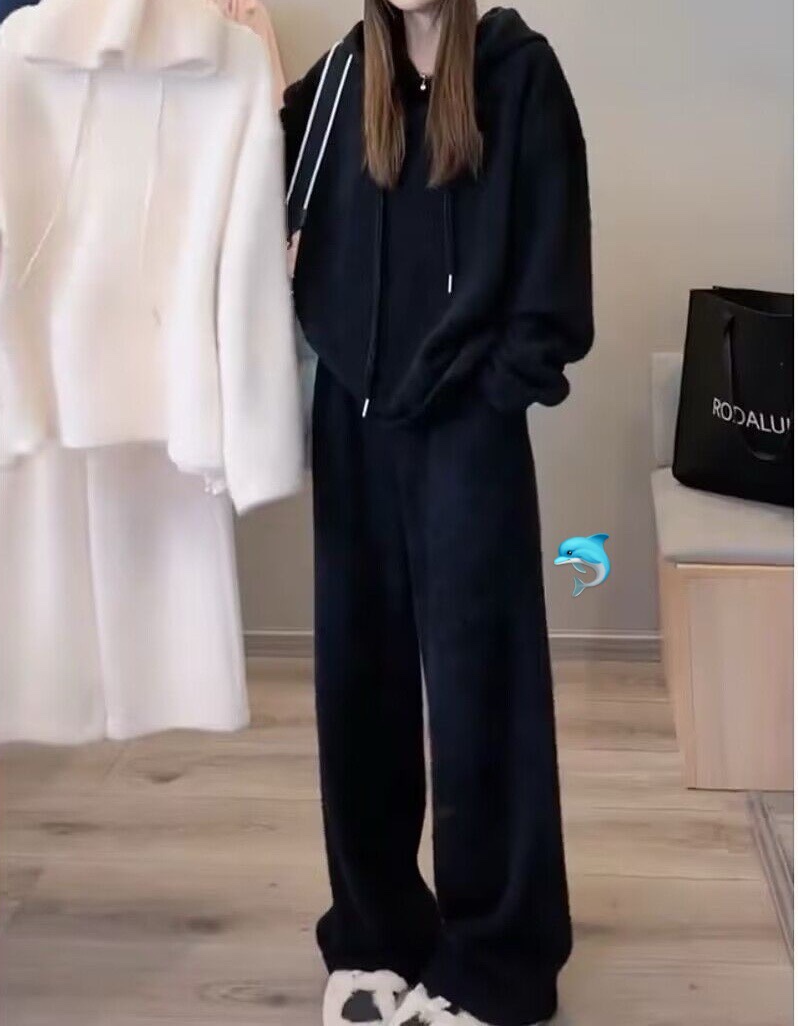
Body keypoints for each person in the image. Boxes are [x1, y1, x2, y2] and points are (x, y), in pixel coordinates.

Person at [281, 3, 593, 1024]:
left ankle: (498, 957)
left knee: (482, 695)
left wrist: (494, 390)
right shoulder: (335, 86)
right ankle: (374, 933)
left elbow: (554, 275)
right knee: (358, 686)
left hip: (467, 427)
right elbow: (243, 182)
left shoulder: (519, 75)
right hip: (353, 419)